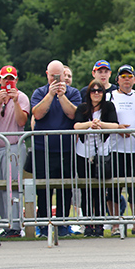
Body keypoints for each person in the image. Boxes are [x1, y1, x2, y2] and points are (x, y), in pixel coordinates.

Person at [30, 59, 81, 237]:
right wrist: (50, 95)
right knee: (43, 189)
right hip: (42, 149)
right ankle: (44, 226)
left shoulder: (73, 93)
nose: (56, 79)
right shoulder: (39, 92)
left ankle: (62, 224)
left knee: (65, 189)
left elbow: (73, 114)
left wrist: (61, 96)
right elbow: (37, 113)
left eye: (58, 76)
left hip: (66, 149)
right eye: (53, 76)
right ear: (47, 75)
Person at [0, 65, 29, 238]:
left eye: (11, 79)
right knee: (0, 187)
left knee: (13, 185)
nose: (8, 82)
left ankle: (16, 224)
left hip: (14, 146)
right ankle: (6, 222)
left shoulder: (22, 97)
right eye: (5, 79)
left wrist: (15, 101)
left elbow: (21, 120)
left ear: (16, 80)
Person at [73, 80, 120, 237]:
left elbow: (115, 125)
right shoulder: (82, 108)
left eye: (99, 91)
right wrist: (89, 124)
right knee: (85, 189)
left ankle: (99, 225)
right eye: (93, 91)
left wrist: (101, 124)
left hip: (102, 152)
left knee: (100, 190)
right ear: (88, 93)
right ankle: (88, 224)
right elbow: (76, 126)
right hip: (83, 152)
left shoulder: (108, 107)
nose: (96, 93)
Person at [107, 64, 135, 236]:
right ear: (118, 79)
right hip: (115, 148)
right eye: (123, 76)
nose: (126, 79)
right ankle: (116, 223)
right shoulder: (110, 96)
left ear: (134, 79)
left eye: (129, 76)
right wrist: (117, 128)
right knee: (114, 187)